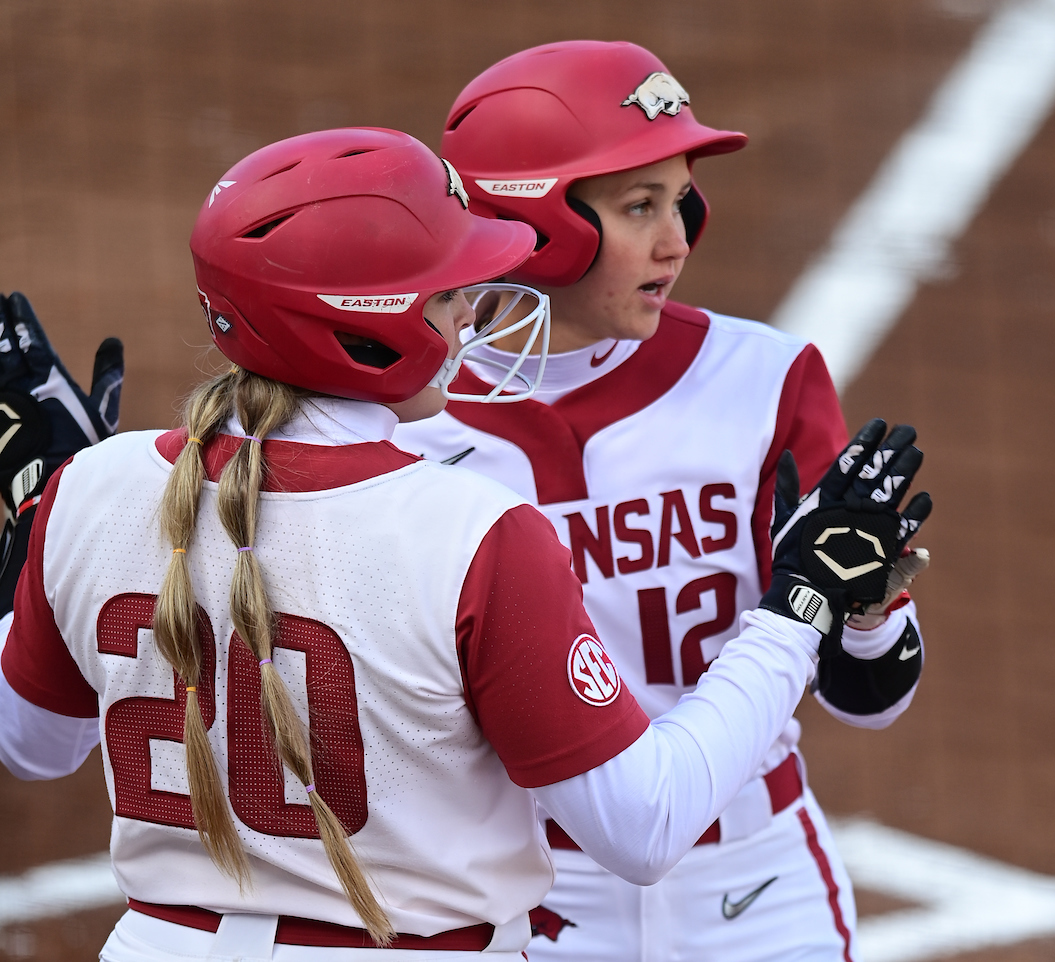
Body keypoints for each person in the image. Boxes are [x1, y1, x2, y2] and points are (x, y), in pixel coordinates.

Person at [0, 127, 927, 962]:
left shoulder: (92, 488)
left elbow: (31, 743)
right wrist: (797, 605)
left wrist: (29, 553)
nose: (475, 314)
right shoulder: (466, 531)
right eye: (453, 292)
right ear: (372, 323)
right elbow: (645, 824)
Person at [391, 42, 934, 962]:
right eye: (639, 206)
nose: (677, 239)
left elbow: (873, 702)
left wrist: (869, 615)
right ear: (541, 227)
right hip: (520, 892)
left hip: (756, 885)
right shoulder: (406, 422)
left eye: (680, 198)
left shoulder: (762, 381)